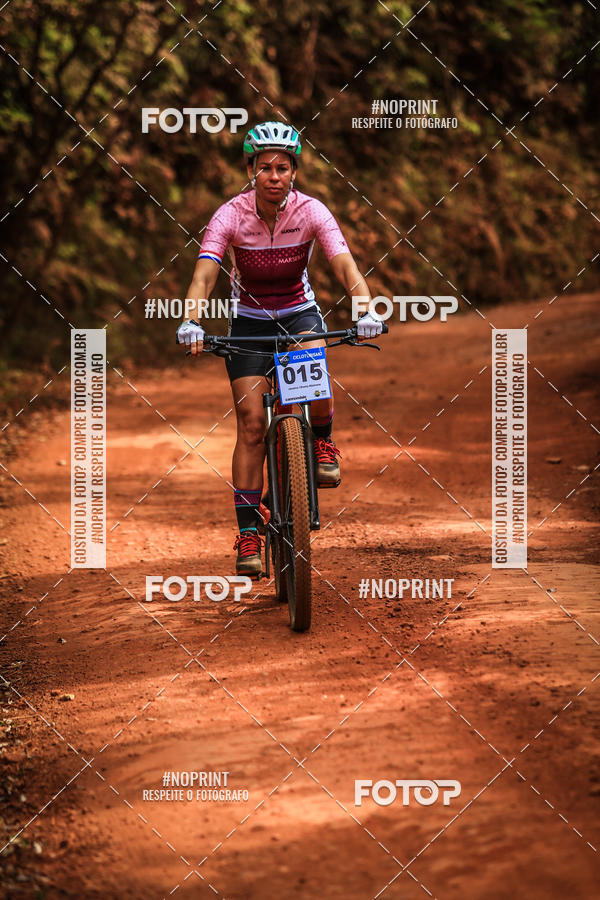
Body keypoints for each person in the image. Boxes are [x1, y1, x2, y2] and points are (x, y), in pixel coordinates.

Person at [177, 121, 382, 576]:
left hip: (296, 314)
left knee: (313, 377)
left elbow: (345, 266)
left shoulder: (312, 212)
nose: (274, 175)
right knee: (251, 425)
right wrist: (192, 318)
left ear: (294, 172)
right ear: (250, 170)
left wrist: (364, 309)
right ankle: (249, 532)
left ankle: (323, 442)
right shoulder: (229, 215)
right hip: (247, 325)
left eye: (283, 168)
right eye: (265, 167)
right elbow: (205, 275)